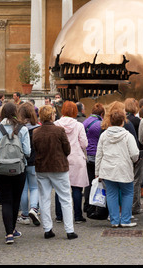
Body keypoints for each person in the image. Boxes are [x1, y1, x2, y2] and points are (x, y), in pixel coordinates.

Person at [33, 105, 78, 239]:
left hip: (42, 167)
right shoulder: (59, 131)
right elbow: (67, 149)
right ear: (52, 116)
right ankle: (69, 230)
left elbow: (35, 149)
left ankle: (47, 229)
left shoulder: (36, 132)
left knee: (44, 198)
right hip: (59, 167)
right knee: (65, 198)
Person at [95, 109, 139, 227]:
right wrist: (133, 161)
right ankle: (125, 220)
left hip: (107, 169)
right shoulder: (128, 136)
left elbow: (99, 154)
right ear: (122, 122)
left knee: (111, 194)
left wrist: (97, 171)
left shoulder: (104, 135)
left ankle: (114, 220)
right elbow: (135, 153)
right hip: (124, 168)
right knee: (127, 193)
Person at [0, 102, 31, 244]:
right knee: (16, 199)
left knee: (6, 200)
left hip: (2, 169)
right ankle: (13, 228)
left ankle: (8, 233)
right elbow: (27, 151)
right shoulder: (22, 129)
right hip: (19, 168)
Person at [54, 101, 89, 223]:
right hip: (76, 158)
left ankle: (59, 215)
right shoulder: (79, 125)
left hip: (61, 158)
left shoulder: (56, 124)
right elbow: (84, 144)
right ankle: (78, 216)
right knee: (77, 188)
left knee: (60, 188)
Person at [17, 102, 41, 226]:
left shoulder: (18, 129)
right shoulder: (38, 128)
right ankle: (34, 209)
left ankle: (25, 215)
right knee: (35, 187)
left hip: (21, 162)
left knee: (23, 189)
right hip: (35, 162)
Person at [83, 103, 105, 218]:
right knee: (98, 182)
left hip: (87, 155)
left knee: (88, 182)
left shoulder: (85, 122)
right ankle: (96, 206)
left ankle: (87, 205)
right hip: (96, 155)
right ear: (102, 113)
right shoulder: (100, 124)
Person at [125, 98, 143, 215]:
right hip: (137, 153)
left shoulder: (123, 120)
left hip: (125, 154)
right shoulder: (137, 121)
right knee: (136, 180)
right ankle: (135, 205)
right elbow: (141, 138)